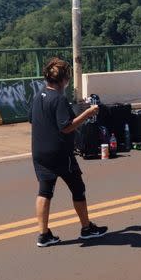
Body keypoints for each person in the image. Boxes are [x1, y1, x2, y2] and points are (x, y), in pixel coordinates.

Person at [29, 58, 108, 247]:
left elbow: (32, 118)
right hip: (60, 153)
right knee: (78, 188)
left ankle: (43, 234)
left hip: (40, 151)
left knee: (45, 191)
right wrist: (88, 113)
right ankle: (87, 228)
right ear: (64, 79)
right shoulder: (59, 98)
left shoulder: (39, 94)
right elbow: (66, 127)